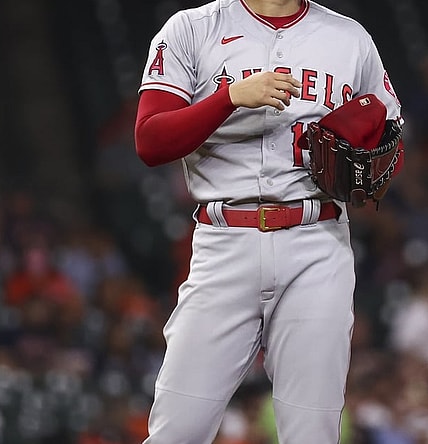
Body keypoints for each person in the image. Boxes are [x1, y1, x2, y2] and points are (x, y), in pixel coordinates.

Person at [133, 0, 404, 442]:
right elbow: (150, 140)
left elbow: (389, 144)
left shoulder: (350, 39)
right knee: (176, 432)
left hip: (317, 242)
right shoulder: (193, 29)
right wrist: (230, 97)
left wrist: (367, 161)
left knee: (312, 433)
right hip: (224, 245)